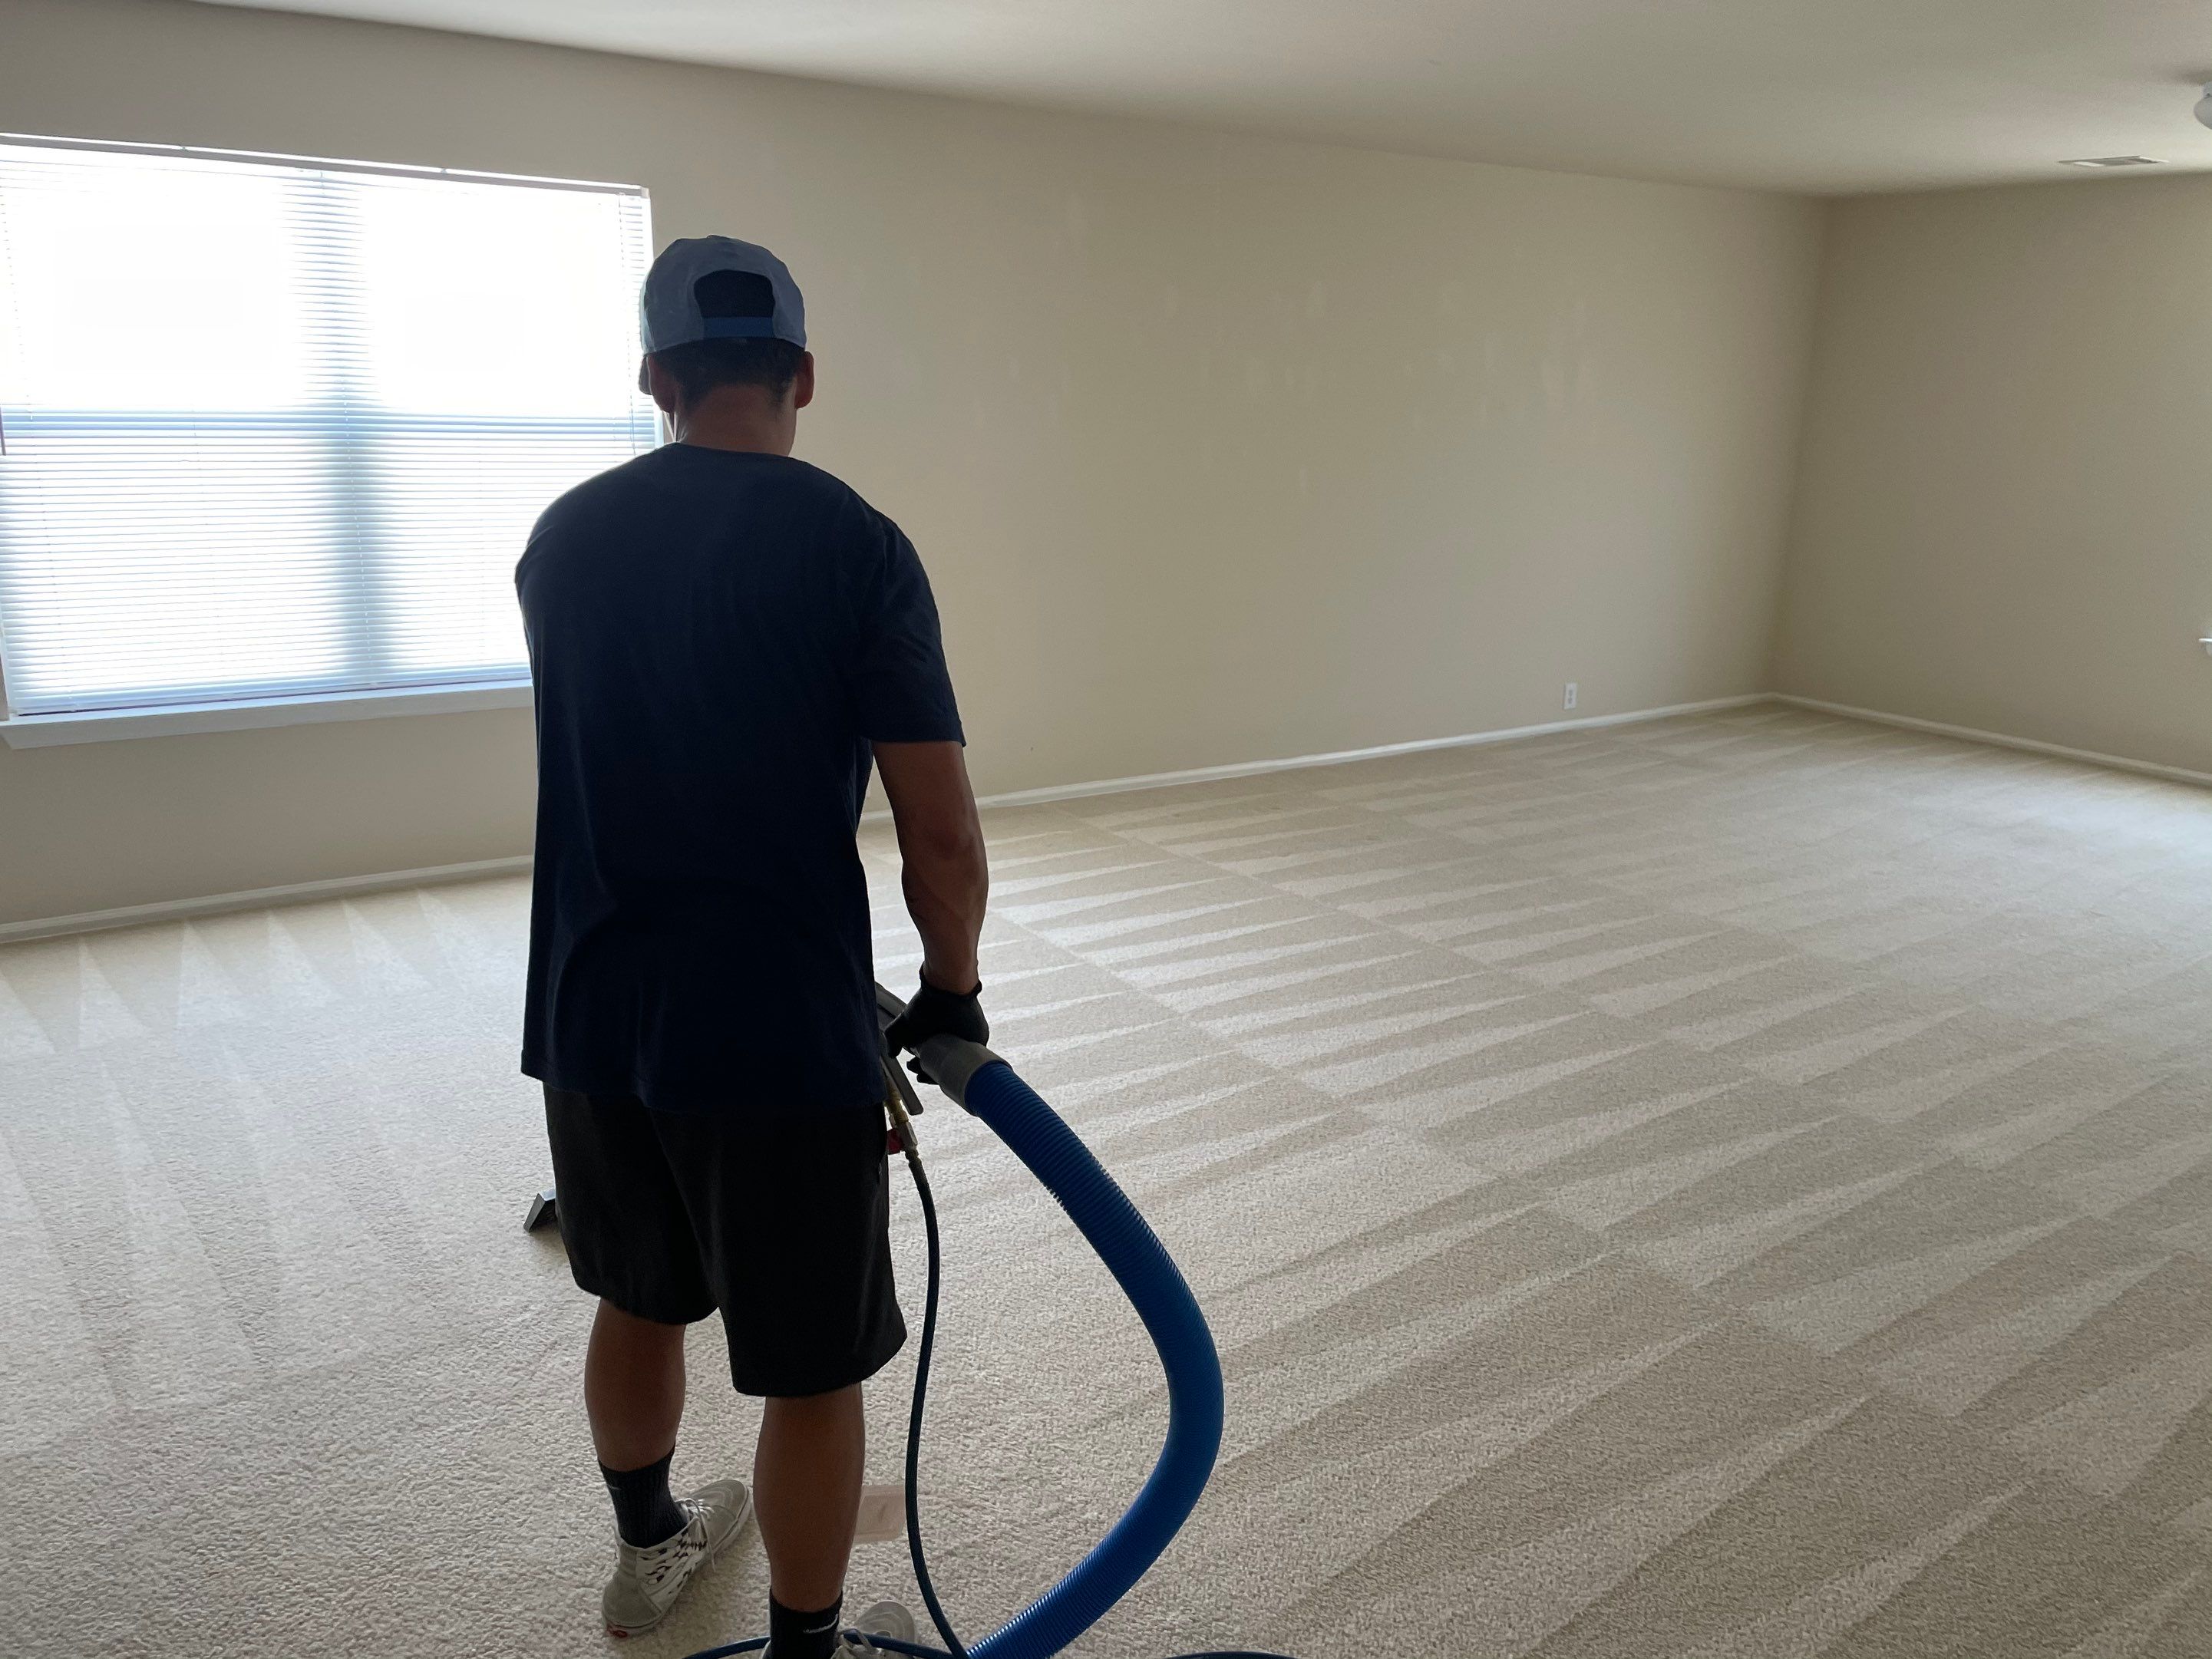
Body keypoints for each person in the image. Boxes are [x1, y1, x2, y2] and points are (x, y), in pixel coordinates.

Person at [514, 236, 992, 1655]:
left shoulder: (563, 535)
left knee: (635, 1292)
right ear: (802, 376)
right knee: (812, 1365)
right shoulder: (855, 544)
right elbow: (942, 833)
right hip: (776, 1027)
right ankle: (805, 1651)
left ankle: (648, 1549)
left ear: (654, 376)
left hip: (594, 1001)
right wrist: (953, 994)